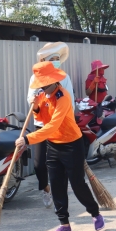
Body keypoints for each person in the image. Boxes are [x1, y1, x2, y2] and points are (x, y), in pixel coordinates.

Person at [16, 62, 104, 231]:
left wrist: (27, 139)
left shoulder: (63, 97)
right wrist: (36, 107)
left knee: (77, 184)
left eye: (44, 85)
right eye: (40, 86)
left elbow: (52, 125)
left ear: (53, 81)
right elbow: (42, 118)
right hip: (53, 145)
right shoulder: (43, 96)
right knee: (56, 184)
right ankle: (64, 223)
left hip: (72, 145)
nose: (42, 88)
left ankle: (95, 213)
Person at [26, 42, 75, 209]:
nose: (56, 61)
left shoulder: (64, 77)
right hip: (41, 124)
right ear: (44, 61)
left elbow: (70, 101)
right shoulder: (35, 78)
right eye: (52, 59)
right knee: (39, 164)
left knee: (60, 165)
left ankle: (59, 197)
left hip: (59, 125)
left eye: (57, 58)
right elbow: (31, 99)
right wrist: (33, 101)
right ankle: (46, 189)